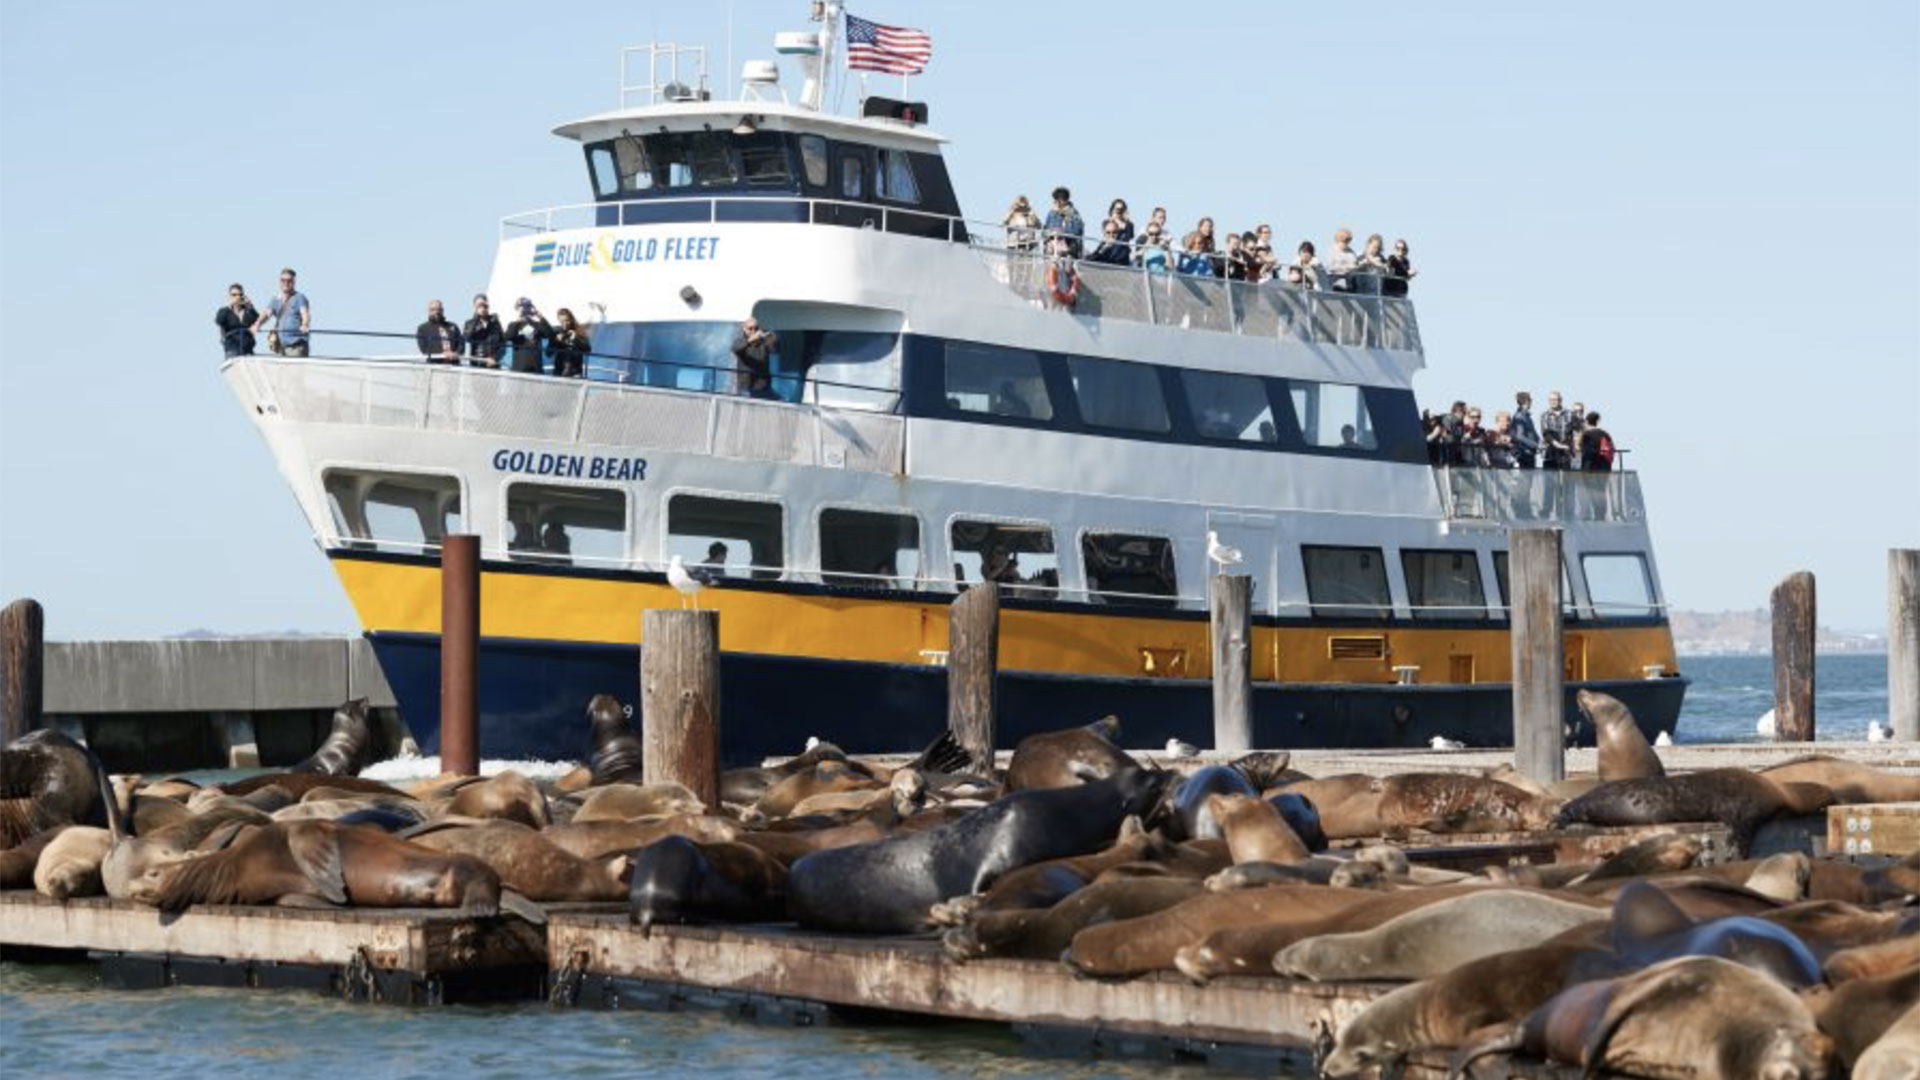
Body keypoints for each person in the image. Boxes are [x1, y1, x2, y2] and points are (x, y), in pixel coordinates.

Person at [254, 267, 310, 357]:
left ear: (294, 282)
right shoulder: (276, 300)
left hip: (295, 345)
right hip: (281, 347)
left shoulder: (299, 297)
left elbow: (305, 314)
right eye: (283, 280)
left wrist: (305, 324)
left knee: (295, 370)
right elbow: (267, 313)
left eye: (289, 280)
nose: (286, 283)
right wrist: (258, 324)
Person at [731, 317, 779, 399]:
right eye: (750, 328)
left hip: (763, 388)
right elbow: (735, 348)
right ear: (744, 329)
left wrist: (769, 336)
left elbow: (774, 348)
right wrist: (750, 341)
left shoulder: (764, 343)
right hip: (746, 388)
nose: (754, 331)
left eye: (756, 328)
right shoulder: (740, 341)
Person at [505, 298, 551, 374]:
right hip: (519, 368)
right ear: (517, 308)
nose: (525, 308)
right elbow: (509, 337)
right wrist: (518, 319)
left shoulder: (537, 324)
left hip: (536, 368)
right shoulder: (513, 325)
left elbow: (549, 334)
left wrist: (540, 316)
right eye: (522, 306)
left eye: (528, 306)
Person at [215, 283, 258, 358]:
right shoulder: (224, 311)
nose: (237, 297)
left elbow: (258, 321)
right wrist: (230, 305)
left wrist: (251, 307)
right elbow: (219, 320)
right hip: (232, 349)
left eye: (240, 295)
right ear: (229, 296)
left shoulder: (248, 312)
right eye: (234, 295)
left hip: (248, 350)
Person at [416, 300, 464, 364]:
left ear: (443, 311)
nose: (437, 312)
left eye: (439, 309)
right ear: (428, 311)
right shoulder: (422, 328)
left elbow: (461, 344)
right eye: (433, 309)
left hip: (454, 366)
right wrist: (442, 354)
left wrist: (456, 353)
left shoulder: (453, 326)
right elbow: (424, 349)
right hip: (435, 366)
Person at [463, 294, 504, 368]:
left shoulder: (495, 323)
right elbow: (467, 338)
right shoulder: (469, 323)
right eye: (479, 305)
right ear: (475, 307)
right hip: (477, 362)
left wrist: (495, 357)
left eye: (484, 305)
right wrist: (476, 318)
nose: (482, 308)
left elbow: (502, 342)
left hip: (493, 362)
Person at [1042, 186, 1083, 258]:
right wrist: (1051, 232)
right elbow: (1045, 229)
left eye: (1061, 199)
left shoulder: (1073, 214)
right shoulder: (1052, 213)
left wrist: (1062, 232)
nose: (1058, 202)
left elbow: (1077, 231)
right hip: (1052, 246)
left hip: (1068, 246)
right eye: (1056, 200)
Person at [550, 308, 588, 378]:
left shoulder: (579, 331)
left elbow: (587, 349)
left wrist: (575, 339)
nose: (565, 324)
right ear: (558, 321)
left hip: (575, 372)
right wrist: (555, 341)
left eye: (567, 321)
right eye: (562, 322)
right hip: (559, 371)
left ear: (571, 319)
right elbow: (548, 353)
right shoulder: (556, 332)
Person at [1540, 391, 1573, 469]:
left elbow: (1573, 432)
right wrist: (1558, 445)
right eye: (1551, 400)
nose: (1553, 402)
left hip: (1565, 454)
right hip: (1550, 454)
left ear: (1560, 400)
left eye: (1555, 399)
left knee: (1566, 480)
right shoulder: (1545, 415)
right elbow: (1546, 434)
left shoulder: (1569, 414)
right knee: (1550, 480)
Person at [1510, 391, 1541, 469]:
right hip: (1524, 455)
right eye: (1530, 400)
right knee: (1524, 480)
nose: (1531, 402)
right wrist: (1536, 445)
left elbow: (1533, 433)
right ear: (1527, 401)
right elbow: (1519, 436)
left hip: (1530, 453)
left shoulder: (1527, 416)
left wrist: (1540, 442)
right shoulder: (1519, 416)